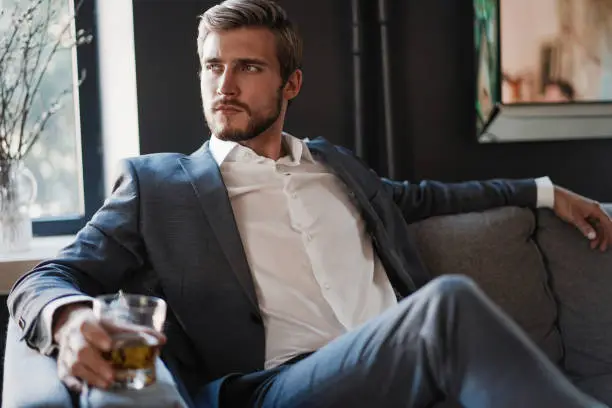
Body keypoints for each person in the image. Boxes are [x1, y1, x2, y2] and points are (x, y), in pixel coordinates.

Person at [7, 1, 612, 407]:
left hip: (403, 372)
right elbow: (48, 275)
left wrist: (545, 191)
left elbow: (429, 198)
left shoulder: (335, 165)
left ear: (290, 84)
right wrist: (69, 319)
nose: (224, 86)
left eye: (247, 67)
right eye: (213, 67)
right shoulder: (157, 185)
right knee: (446, 305)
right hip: (282, 388)